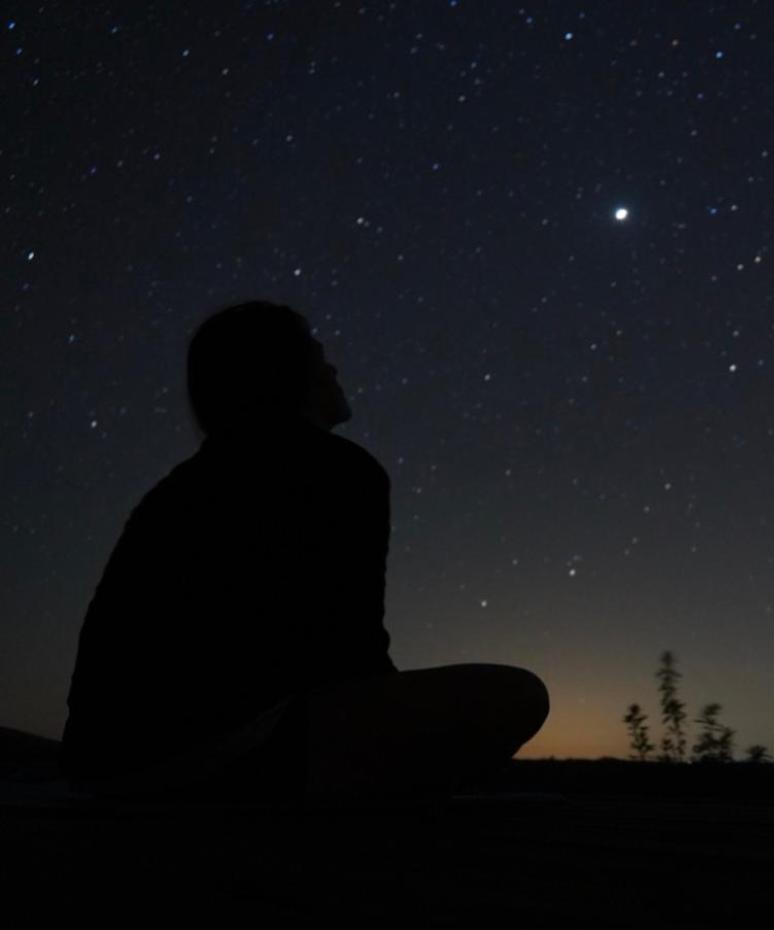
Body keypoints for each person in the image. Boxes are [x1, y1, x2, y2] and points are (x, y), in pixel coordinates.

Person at [61, 301, 549, 802]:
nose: (333, 368)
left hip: (104, 765)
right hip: (198, 761)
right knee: (518, 696)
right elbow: (350, 650)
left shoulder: (178, 488)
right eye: (317, 355)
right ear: (282, 372)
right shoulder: (339, 470)